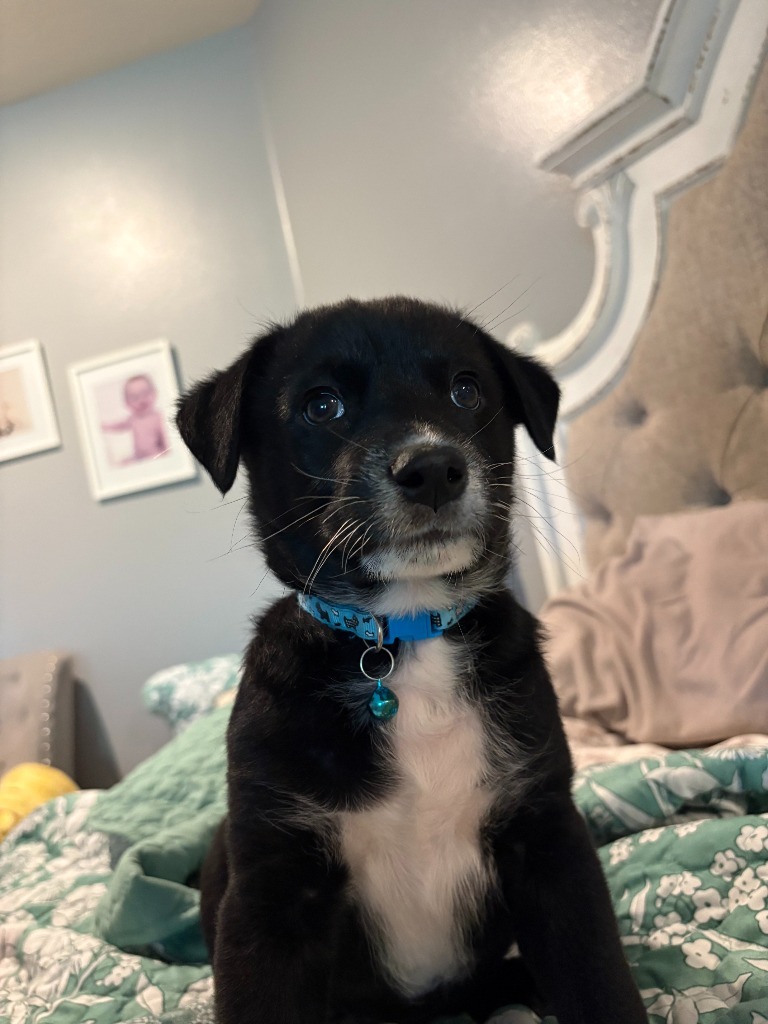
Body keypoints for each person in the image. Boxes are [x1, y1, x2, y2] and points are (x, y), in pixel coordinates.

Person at [102, 373, 169, 462]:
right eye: (135, 397)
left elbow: (166, 441)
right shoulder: (132, 419)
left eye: (145, 394)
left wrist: (165, 455)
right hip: (138, 457)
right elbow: (120, 425)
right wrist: (106, 426)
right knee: (124, 462)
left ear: (154, 393)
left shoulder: (158, 418)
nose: (141, 400)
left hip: (156, 455)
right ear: (127, 402)